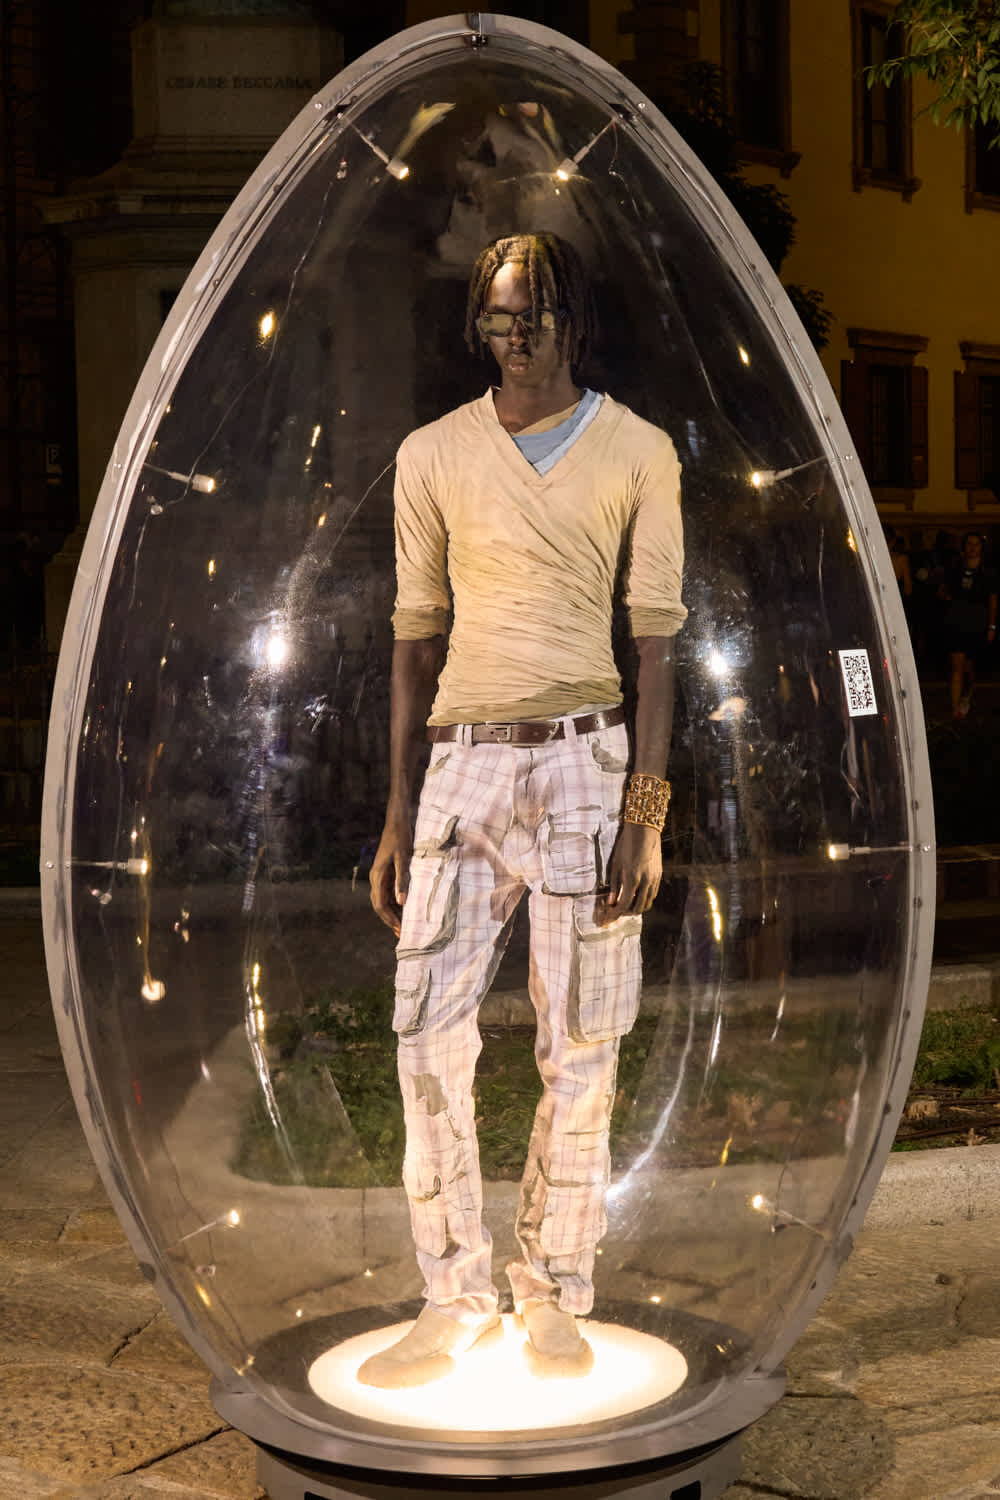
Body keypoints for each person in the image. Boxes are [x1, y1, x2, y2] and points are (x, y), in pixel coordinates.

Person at [365, 231, 685, 1389]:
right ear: (476, 324)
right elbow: (412, 637)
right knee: (425, 1035)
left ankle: (555, 1285)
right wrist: (400, 813)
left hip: (582, 768)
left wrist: (644, 814)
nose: (517, 332)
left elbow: (656, 651)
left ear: (574, 319)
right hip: (465, 765)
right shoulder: (431, 455)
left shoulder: (637, 451)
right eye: (498, 313)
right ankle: (449, 1292)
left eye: (536, 311)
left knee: (581, 1043)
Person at [939, 531, 998, 719]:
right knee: (956, 664)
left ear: (982, 548)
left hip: (977, 623)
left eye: (976, 544)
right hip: (956, 622)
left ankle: (967, 694)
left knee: (969, 668)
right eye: (969, 544)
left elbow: (993, 600)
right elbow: (943, 589)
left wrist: (992, 626)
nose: (972, 548)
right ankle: (955, 708)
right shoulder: (955, 568)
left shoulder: (988, 572)